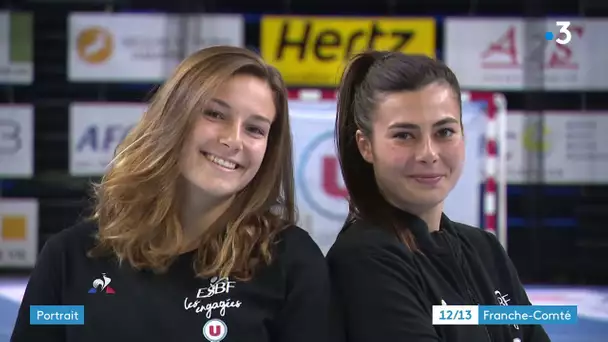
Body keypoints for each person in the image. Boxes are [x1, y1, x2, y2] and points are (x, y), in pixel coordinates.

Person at [11, 46, 331, 342]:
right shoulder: (70, 259)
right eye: (215, 114)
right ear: (173, 118)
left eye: (255, 129)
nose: (234, 140)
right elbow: (51, 323)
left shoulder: (290, 262)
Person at [326, 51, 550, 342]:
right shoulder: (363, 260)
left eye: (444, 131)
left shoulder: (486, 250)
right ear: (366, 146)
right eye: (404, 135)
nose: (429, 154)